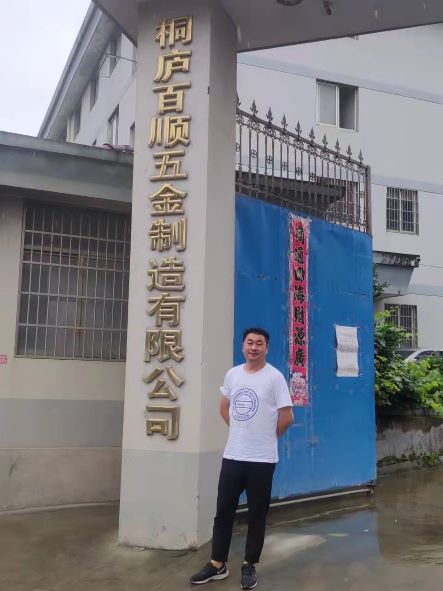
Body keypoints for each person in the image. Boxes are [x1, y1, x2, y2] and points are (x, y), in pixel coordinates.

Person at [190, 328, 294, 589]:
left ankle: (249, 565)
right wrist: (240, 430)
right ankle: (217, 564)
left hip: (262, 460)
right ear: (243, 346)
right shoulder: (233, 374)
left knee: (257, 514)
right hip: (233, 456)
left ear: (266, 348)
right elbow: (223, 407)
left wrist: (267, 437)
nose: (254, 347)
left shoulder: (275, 377)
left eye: (259, 343)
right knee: (223, 511)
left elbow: (287, 416)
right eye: (250, 342)